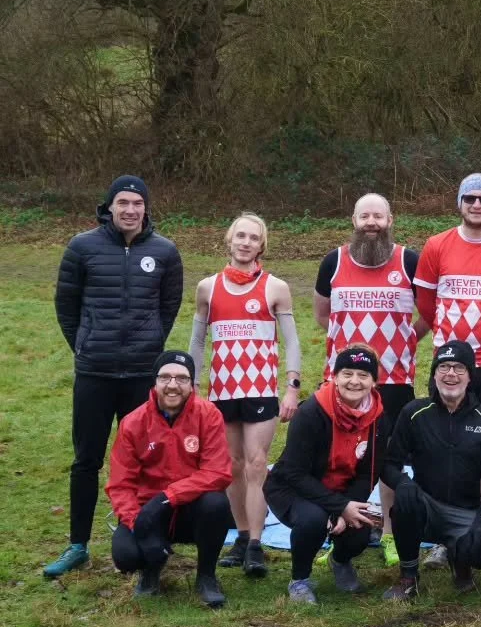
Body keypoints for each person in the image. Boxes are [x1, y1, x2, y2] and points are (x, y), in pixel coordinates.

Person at [48, 175, 185, 578]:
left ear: (146, 209)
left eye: (137, 204)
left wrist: (149, 343)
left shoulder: (165, 252)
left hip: (142, 375)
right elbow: (66, 305)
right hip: (95, 372)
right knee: (86, 460)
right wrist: (85, 345)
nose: (130, 210)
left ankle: (145, 536)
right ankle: (78, 545)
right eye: (122, 203)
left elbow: (168, 307)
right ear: (108, 207)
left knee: (148, 460)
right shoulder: (82, 247)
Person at [314, 192, 427, 565]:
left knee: (389, 457)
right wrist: (351, 353)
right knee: (339, 456)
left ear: (390, 220)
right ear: (354, 220)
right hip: (344, 382)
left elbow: (428, 314)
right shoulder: (334, 261)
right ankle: (338, 527)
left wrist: (406, 340)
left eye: (378, 216)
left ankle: (391, 533)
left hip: (393, 380)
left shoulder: (408, 261)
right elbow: (322, 315)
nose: (371, 223)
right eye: (365, 216)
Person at [189, 213, 302, 578]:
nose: (246, 242)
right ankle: (239, 536)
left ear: (261, 245)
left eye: (253, 238)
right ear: (229, 240)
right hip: (222, 391)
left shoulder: (275, 287)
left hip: (260, 390)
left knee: (256, 463)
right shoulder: (207, 288)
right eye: (241, 236)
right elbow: (197, 341)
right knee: (232, 466)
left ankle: (255, 544)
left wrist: (292, 387)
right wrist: (192, 385)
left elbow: (292, 342)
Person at [263, 345, 390, 604]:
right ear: (335, 376)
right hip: (292, 488)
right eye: (347, 373)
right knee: (313, 519)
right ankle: (299, 579)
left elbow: (368, 473)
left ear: (374, 382)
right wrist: (338, 507)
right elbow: (294, 473)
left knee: (361, 528)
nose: (354, 381)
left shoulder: (379, 418)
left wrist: (346, 508)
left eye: (363, 375)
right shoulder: (310, 412)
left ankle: (339, 561)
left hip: (341, 489)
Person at [106, 352, 233, 607]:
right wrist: (138, 525)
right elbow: (120, 484)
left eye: (181, 378)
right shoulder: (133, 422)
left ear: (191, 384)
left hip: (191, 508)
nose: (173, 385)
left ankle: (206, 576)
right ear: (154, 382)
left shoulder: (209, 415)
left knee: (217, 504)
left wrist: (168, 497)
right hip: (147, 511)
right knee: (125, 556)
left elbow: (218, 472)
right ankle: (150, 572)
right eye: (165, 377)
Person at [380, 341, 481, 600]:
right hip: (425, 506)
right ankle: (408, 576)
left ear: (470, 376)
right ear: (434, 374)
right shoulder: (414, 412)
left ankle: (461, 563)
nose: (451, 374)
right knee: (405, 500)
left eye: (459, 368)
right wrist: (403, 483)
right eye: (444, 367)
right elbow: (389, 464)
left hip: (466, 510)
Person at [414, 174, 481, 437]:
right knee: (445, 435)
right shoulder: (436, 245)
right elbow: (425, 303)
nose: (477, 205)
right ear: (459, 202)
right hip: (450, 360)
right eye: (469, 198)